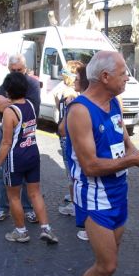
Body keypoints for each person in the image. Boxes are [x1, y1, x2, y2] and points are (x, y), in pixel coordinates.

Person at [65, 51, 139, 276]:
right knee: (107, 264)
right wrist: (133, 160)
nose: (127, 77)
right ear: (105, 77)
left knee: (110, 265)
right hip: (95, 196)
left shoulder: (115, 102)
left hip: (119, 192)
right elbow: (90, 166)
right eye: (123, 73)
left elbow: (125, 142)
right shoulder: (80, 111)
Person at [0, 72, 58, 243]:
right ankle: (46, 228)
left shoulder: (10, 112)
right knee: (35, 194)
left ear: (8, 91)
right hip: (33, 154)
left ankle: (21, 231)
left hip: (16, 159)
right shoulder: (31, 106)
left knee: (14, 196)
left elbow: (6, 142)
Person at [0, 54, 39, 223]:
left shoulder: (31, 83)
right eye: (13, 70)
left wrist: (4, 102)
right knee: (2, 171)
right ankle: (4, 207)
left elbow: (30, 108)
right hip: (5, 133)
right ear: (9, 69)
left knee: (24, 174)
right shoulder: (7, 81)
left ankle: (27, 209)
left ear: (25, 69)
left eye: (19, 70)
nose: (16, 73)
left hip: (23, 135)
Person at [58, 64, 91, 241]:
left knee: (79, 181)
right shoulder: (108, 101)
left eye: (77, 78)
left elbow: (62, 128)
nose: (74, 80)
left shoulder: (78, 103)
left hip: (79, 155)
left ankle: (87, 226)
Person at [54, 60, 82, 216]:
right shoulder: (73, 91)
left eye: (65, 72)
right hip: (70, 136)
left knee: (71, 171)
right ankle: (74, 198)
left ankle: (74, 205)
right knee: (73, 171)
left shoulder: (70, 93)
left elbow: (66, 117)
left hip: (68, 137)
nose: (63, 74)